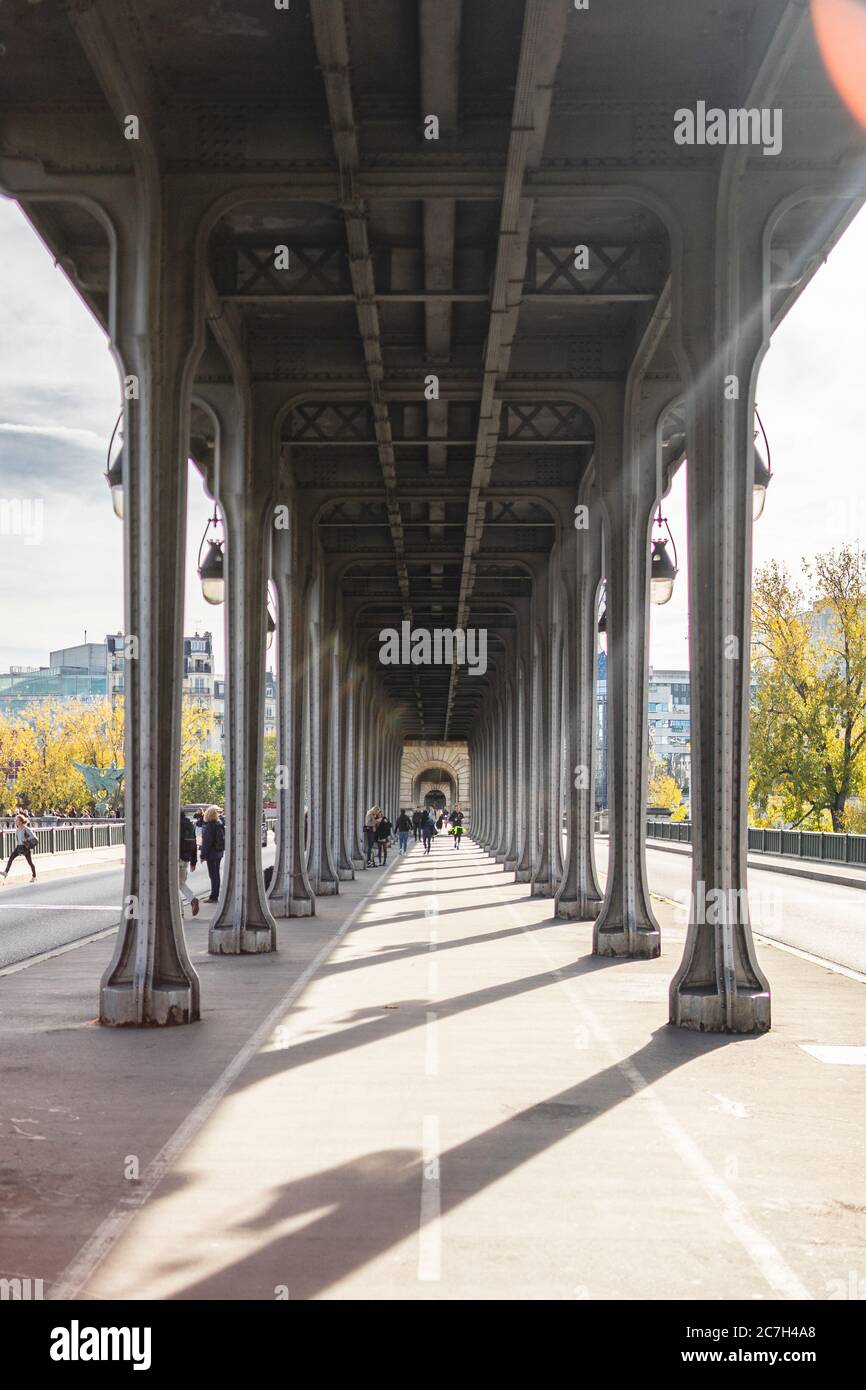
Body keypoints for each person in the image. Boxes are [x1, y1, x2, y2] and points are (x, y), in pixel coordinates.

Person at [1, 814, 38, 883]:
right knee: (11, 858)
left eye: (17, 820)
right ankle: (6, 872)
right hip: (18, 847)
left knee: (30, 862)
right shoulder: (17, 829)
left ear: (20, 821)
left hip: (25, 847)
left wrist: (26, 839)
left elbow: (33, 837)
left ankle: (34, 876)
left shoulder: (26, 829)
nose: (15, 821)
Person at [200, 804, 225, 902]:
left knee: (213, 875)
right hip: (219, 852)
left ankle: (214, 896)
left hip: (212, 854)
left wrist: (203, 855)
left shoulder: (210, 826)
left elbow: (207, 842)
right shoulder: (219, 824)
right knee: (216, 875)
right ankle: (215, 894)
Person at [178, 810, 200, 917]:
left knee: (173, 885)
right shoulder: (190, 825)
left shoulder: (175, 824)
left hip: (176, 857)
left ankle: (180, 911)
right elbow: (194, 843)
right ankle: (190, 901)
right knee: (179, 883)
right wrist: (193, 861)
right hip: (186, 858)